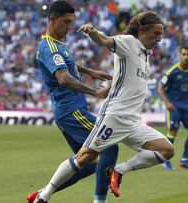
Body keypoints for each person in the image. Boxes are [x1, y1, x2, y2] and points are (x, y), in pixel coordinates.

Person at [33, 10, 174, 202]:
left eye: (161, 34)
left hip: (132, 121)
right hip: (114, 116)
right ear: (142, 30)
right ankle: (44, 195)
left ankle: (119, 171)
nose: (159, 38)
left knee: (166, 149)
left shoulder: (144, 52)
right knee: (85, 157)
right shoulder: (128, 42)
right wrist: (92, 32)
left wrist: (91, 71)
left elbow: (72, 64)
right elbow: (106, 41)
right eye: (156, 33)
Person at [26, 1, 119, 203]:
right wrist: (95, 92)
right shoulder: (49, 46)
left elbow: (67, 63)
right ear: (52, 19)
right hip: (72, 111)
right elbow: (62, 77)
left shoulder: (56, 43)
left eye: (71, 22)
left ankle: (41, 196)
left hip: (68, 112)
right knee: (109, 142)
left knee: (86, 165)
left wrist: (90, 71)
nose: (70, 27)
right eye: (66, 22)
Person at [158, 47, 188, 171]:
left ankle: (184, 160)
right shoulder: (172, 71)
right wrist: (166, 102)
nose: (186, 57)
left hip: (187, 105)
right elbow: (160, 87)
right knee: (173, 131)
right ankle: (166, 161)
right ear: (179, 55)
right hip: (174, 105)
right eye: (183, 54)